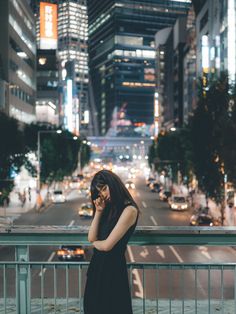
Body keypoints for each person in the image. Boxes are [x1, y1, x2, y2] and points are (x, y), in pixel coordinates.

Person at [84, 170, 139, 314]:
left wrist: (95, 244)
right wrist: (99, 212)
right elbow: (91, 237)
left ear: (113, 184)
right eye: (99, 192)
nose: (103, 195)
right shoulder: (107, 208)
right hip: (96, 268)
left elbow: (107, 245)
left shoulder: (129, 210)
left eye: (104, 188)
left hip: (112, 271)